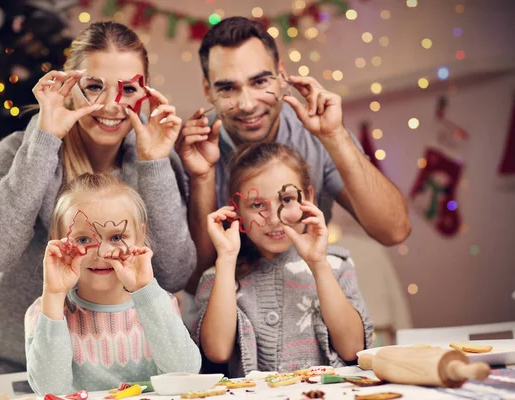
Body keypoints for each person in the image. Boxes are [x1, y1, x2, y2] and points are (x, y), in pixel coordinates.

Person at [0, 22, 196, 377]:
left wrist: (155, 163)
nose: (112, 105)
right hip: (5, 362)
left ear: (145, 93)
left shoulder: (155, 159)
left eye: (128, 88)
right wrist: (45, 138)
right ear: (69, 86)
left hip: (106, 369)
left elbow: (173, 274)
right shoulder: (18, 150)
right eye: (94, 86)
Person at [176, 16, 411, 295]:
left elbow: (394, 231)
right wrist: (202, 177)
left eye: (260, 81)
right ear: (207, 89)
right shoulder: (186, 149)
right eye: (227, 88)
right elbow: (194, 283)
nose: (247, 104)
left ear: (281, 74)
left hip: (308, 306)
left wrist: (334, 136)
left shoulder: (316, 133)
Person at [194, 142, 373, 377]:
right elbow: (217, 351)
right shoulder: (218, 277)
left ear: (307, 197)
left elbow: (353, 349)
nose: (274, 219)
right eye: (257, 205)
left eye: (287, 200)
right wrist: (226, 260)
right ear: (236, 209)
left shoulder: (337, 265)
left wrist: (318, 264)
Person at [25, 173, 201, 395]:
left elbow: (186, 373)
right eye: (82, 239)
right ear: (58, 239)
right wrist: (53, 295)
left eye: (117, 237)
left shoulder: (159, 303)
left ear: (139, 235)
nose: (102, 253)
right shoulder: (44, 312)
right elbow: (50, 390)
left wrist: (145, 290)